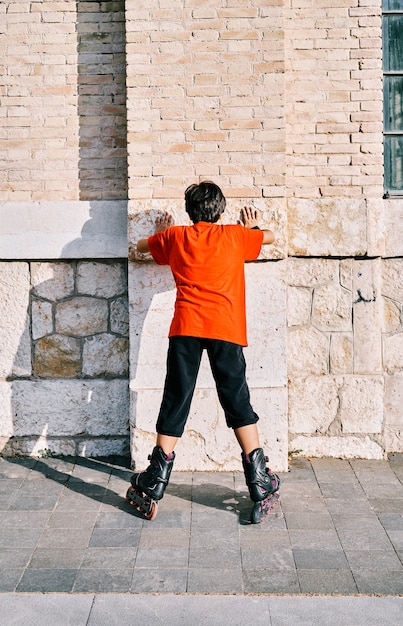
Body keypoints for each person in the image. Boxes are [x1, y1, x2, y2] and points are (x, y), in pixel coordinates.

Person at [126, 181, 280, 523]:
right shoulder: (235, 236)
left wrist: (162, 233)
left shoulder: (176, 237)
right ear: (221, 211)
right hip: (226, 329)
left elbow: (138, 246)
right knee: (236, 399)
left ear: (188, 210)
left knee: (176, 398)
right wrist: (251, 227)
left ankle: (153, 483)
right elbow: (269, 237)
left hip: (186, 330)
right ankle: (259, 482)